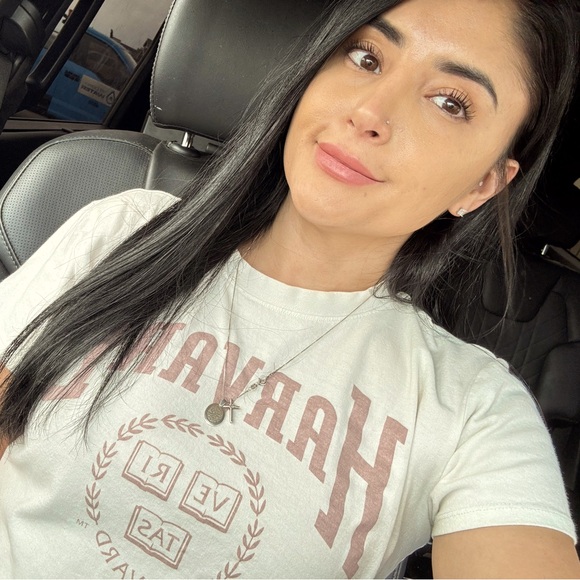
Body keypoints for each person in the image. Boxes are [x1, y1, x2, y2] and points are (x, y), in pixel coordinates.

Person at [0, 0, 579, 577]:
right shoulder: (123, 233)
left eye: (450, 102)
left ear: (482, 185)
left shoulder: (472, 408)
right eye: (366, 57)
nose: (369, 111)